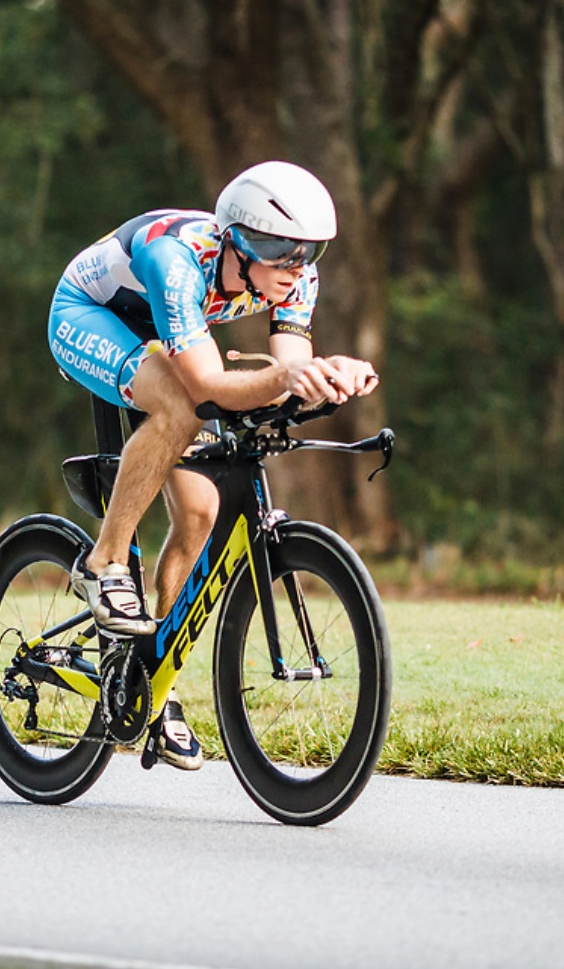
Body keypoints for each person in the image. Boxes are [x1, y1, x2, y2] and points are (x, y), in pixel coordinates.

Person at [47, 160, 379, 770]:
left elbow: (288, 371)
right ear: (240, 240)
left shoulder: (296, 278)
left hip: (167, 336)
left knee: (200, 513)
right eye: (281, 251)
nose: (296, 266)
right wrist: (288, 378)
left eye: (309, 252)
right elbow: (206, 386)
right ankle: (104, 562)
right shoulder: (177, 260)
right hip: (91, 314)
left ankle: (154, 687)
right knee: (180, 409)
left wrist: (332, 376)